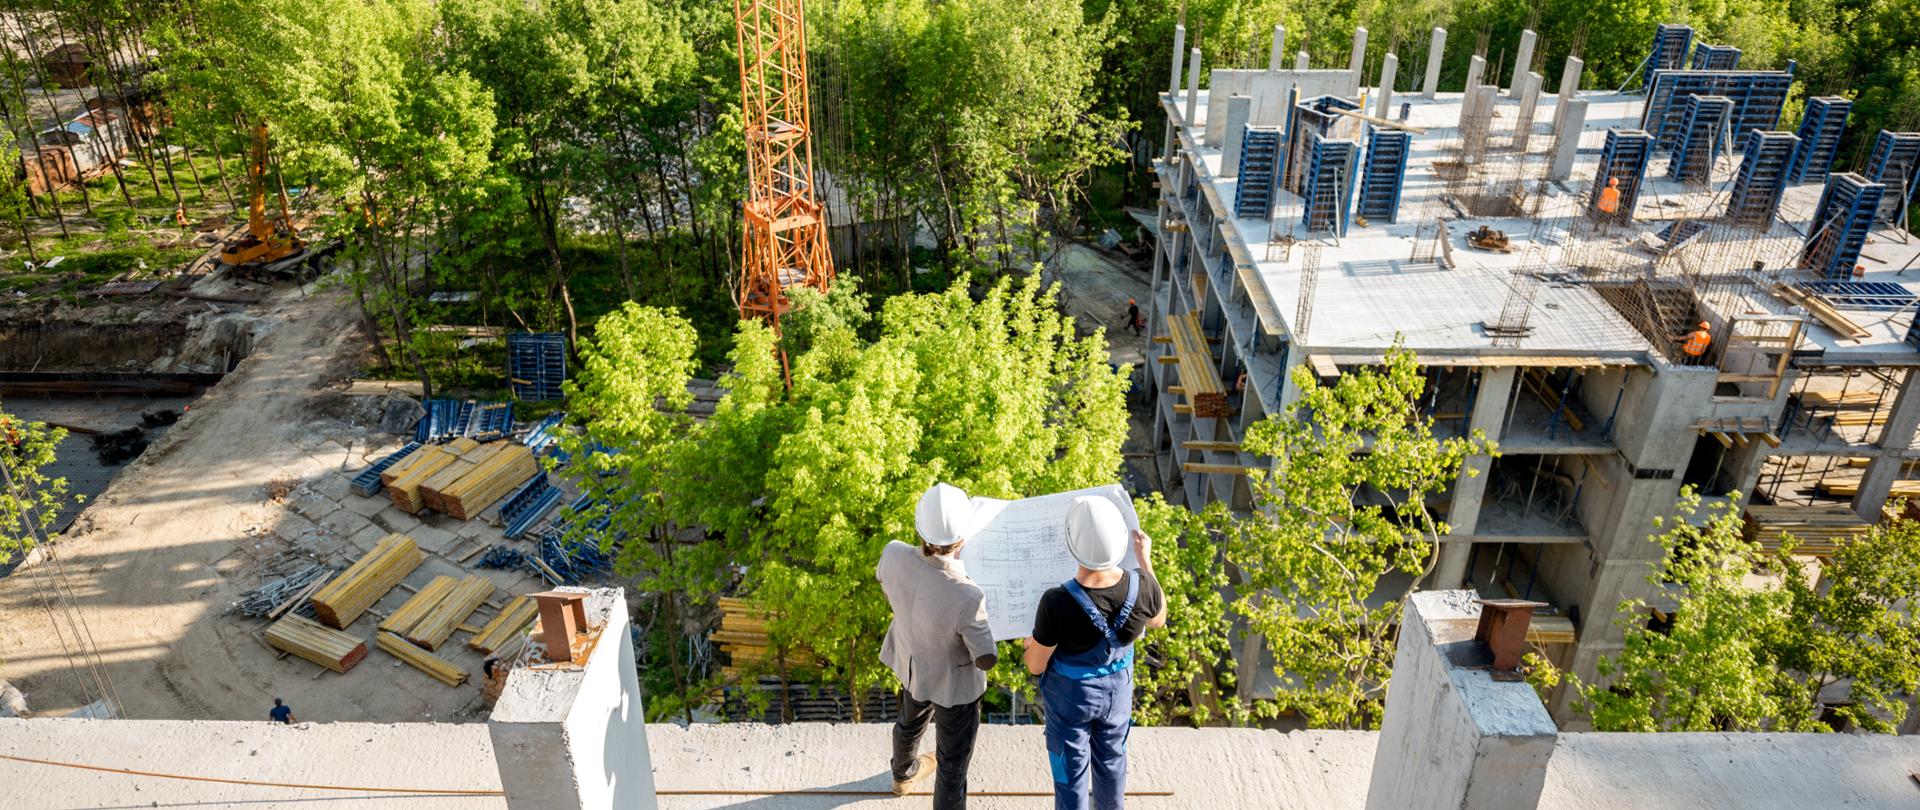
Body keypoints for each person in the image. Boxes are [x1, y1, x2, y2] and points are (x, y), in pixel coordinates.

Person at [1023, 497, 1167, 810]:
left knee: (1069, 774)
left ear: (1072, 544)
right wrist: (1145, 561)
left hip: (1070, 700)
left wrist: (1028, 645)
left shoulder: (1056, 601)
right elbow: (1158, 619)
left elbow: (1035, 666)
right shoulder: (1143, 585)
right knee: (1113, 762)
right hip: (1118, 693)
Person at [877, 483, 998, 808]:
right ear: (963, 539)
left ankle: (902, 776)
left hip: (912, 665)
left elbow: (888, 585)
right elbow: (985, 659)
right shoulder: (967, 595)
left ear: (920, 529)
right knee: (952, 761)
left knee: (909, 722)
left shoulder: (892, 553)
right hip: (954, 686)